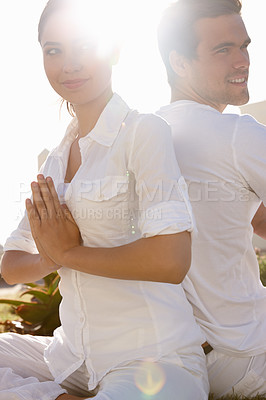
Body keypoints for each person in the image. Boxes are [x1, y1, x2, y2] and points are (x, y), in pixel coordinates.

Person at [0, 0, 209, 399]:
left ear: (114, 50)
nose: (69, 64)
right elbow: (11, 266)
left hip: (152, 361)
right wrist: (52, 257)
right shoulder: (57, 156)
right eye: (53, 50)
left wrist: (70, 252)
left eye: (84, 46)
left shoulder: (144, 132)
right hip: (70, 359)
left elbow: (171, 259)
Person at [157, 0, 266, 398]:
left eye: (245, 46)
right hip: (251, 352)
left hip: (179, 359)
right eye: (223, 50)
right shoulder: (236, 134)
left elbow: (254, 220)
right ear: (180, 63)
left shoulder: (148, 132)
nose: (242, 61)